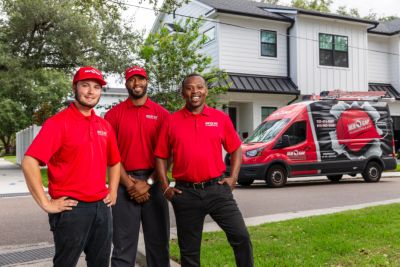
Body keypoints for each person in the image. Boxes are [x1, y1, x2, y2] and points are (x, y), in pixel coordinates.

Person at [21, 66, 121, 267]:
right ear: (75, 87)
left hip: (101, 208)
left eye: (96, 87)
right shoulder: (58, 123)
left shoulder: (104, 126)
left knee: (101, 263)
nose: (91, 92)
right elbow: (29, 161)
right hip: (71, 209)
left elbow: (115, 161)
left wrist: (113, 189)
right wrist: (46, 203)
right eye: (85, 86)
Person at [155, 73, 254, 267]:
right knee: (189, 251)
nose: (195, 92)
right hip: (186, 193)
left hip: (217, 190)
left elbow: (235, 149)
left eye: (199, 87)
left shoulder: (220, 118)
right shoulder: (171, 121)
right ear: (183, 93)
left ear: (206, 91)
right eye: (189, 88)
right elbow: (160, 156)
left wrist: (233, 178)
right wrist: (165, 187)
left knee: (241, 236)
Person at [105, 66, 170, 267]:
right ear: (126, 83)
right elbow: (110, 154)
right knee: (123, 247)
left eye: (140, 79)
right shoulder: (113, 115)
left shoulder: (163, 114)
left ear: (147, 81)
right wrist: (130, 184)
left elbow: (168, 155)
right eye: (132, 79)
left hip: (155, 183)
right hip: (125, 185)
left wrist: (149, 183)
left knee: (159, 245)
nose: (136, 83)